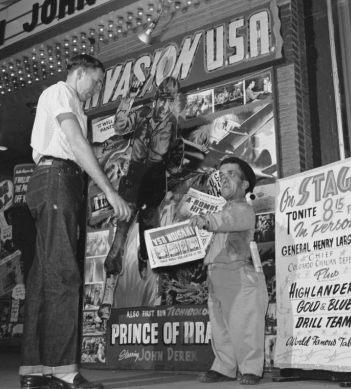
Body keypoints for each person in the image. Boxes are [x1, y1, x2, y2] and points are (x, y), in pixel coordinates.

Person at [20, 54, 132, 389]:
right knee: (65, 274)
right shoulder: (61, 93)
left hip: (50, 181)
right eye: (95, 81)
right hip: (57, 178)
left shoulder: (63, 99)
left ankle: (35, 370)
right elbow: (76, 141)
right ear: (79, 73)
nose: (96, 89)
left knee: (43, 278)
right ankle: (64, 370)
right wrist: (110, 191)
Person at [97, 77, 180, 320]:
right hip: (132, 182)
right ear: (156, 99)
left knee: (150, 242)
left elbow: (173, 160)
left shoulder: (173, 123)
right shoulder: (143, 113)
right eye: (162, 100)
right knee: (120, 237)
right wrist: (128, 98)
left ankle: (157, 291)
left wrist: (172, 176)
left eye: (170, 101)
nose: (165, 106)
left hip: (154, 184)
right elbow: (120, 127)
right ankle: (107, 296)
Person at [189, 157, 268, 386]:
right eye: (221, 175)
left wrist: (205, 220)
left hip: (239, 275)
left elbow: (227, 219)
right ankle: (225, 366)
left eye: (231, 174)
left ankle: (250, 368)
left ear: (245, 185)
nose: (224, 178)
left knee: (245, 324)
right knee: (220, 326)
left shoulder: (243, 209)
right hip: (217, 275)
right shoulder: (223, 210)